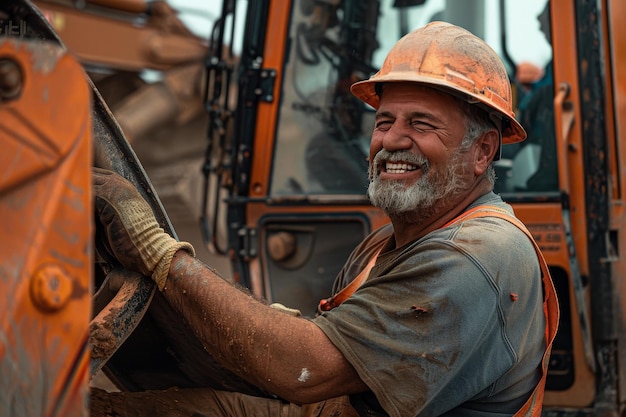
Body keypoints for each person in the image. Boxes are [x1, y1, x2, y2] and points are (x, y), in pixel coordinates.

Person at [93, 21, 558, 417]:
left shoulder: (475, 255)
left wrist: (158, 253)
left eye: (421, 124)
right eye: (383, 122)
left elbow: (304, 372)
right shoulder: (383, 245)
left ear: (482, 152)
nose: (392, 140)